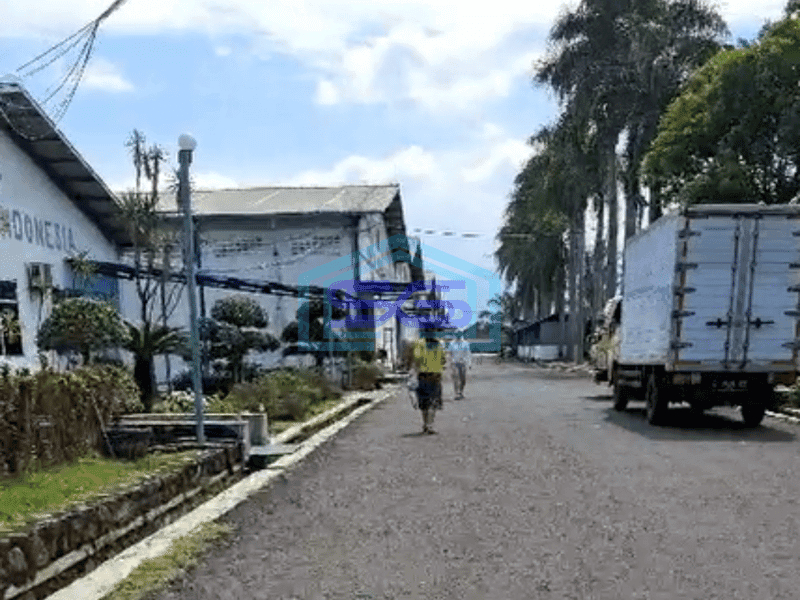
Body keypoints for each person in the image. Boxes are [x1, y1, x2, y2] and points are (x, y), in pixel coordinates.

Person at [410, 328, 446, 434]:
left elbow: (416, 358)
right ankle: (430, 425)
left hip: (423, 376)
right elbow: (443, 360)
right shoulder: (439, 345)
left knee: (424, 402)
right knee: (433, 403)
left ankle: (426, 424)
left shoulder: (419, 344)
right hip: (435, 376)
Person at [448, 331, 472, 399]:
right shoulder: (452, 343)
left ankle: (461, 392)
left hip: (463, 363)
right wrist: (450, 362)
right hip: (454, 363)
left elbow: (468, 354)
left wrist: (469, 363)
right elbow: (449, 353)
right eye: (456, 334)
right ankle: (456, 393)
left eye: (459, 333)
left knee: (463, 379)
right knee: (455, 377)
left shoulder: (465, 343)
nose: (458, 335)